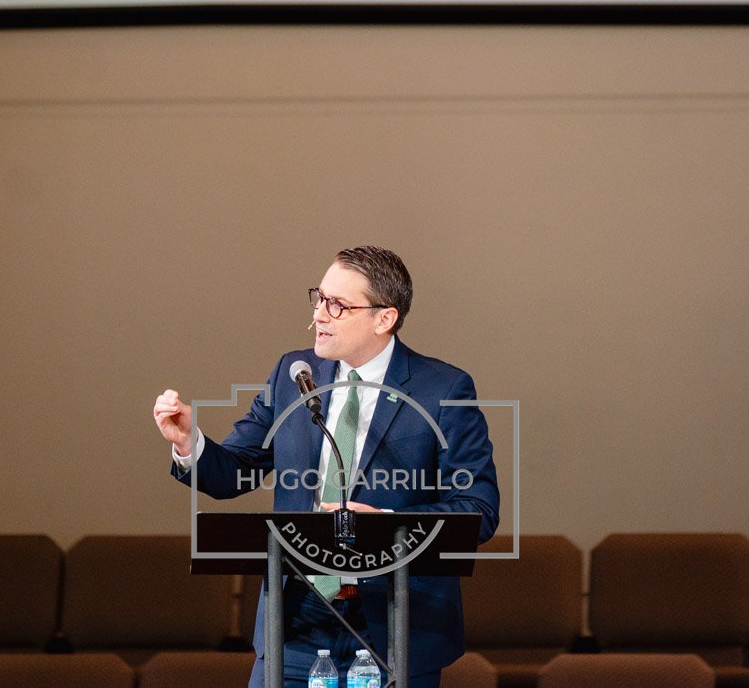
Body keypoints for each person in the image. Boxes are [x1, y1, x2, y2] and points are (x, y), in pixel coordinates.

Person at [153, 244, 499, 688]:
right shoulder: (291, 374)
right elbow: (234, 471)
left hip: (393, 621)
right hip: (296, 619)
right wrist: (189, 443)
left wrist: (387, 526)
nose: (319, 315)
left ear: (384, 318)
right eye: (319, 298)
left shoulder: (443, 388)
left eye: (337, 305)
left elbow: (477, 510)